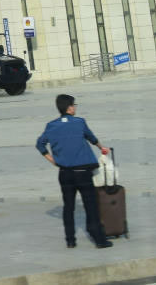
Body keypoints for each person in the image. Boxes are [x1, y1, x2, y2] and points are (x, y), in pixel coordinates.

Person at [35, 93, 113, 249]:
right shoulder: (79, 122)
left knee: (68, 207)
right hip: (83, 172)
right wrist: (102, 148)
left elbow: (40, 144)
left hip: (64, 173)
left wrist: (53, 161)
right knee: (91, 206)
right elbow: (92, 138)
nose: (75, 108)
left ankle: (70, 240)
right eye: (74, 105)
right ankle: (99, 239)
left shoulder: (51, 126)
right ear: (70, 108)